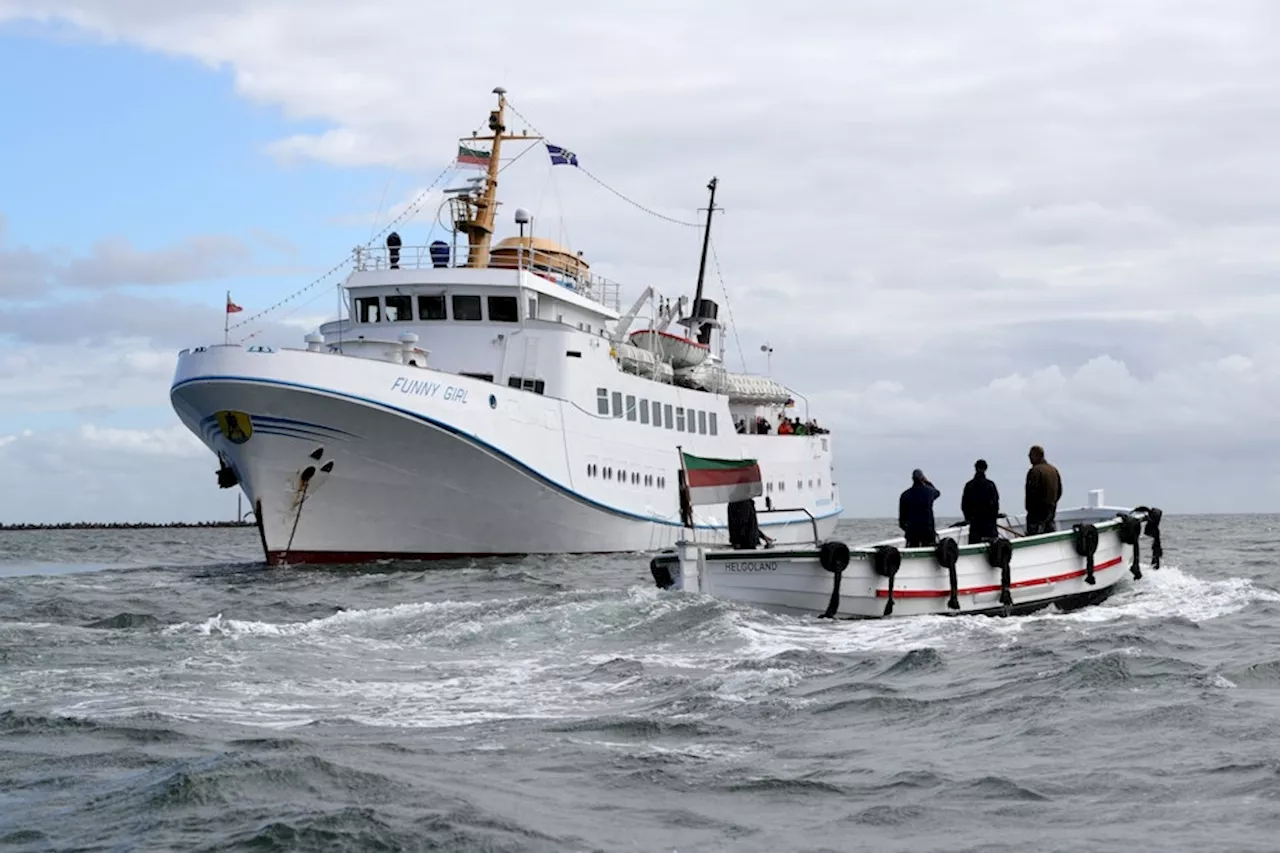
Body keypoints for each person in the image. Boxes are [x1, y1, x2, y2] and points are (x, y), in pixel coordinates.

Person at [1025, 444, 1062, 535]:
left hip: (1037, 513)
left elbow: (1031, 493)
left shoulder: (1035, 471)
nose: (1029, 457)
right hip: (1051, 510)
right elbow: (1059, 491)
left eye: (1031, 455)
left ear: (1037, 455)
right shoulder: (1053, 470)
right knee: (1049, 533)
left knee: (1034, 536)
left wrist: (1030, 508)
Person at [961, 458, 1000, 544]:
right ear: (986, 469)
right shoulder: (990, 485)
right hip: (990, 526)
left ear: (975, 468)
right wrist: (993, 517)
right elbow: (995, 504)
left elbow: (964, 505)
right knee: (995, 549)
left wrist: (968, 518)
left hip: (975, 525)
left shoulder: (969, 485)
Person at [898, 468, 940, 547]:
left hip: (912, 532)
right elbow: (937, 492)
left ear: (912, 479)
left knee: (912, 547)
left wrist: (907, 529)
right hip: (927, 531)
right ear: (922, 478)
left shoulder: (905, 495)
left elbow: (901, 520)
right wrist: (927, 482)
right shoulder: (929, 492)